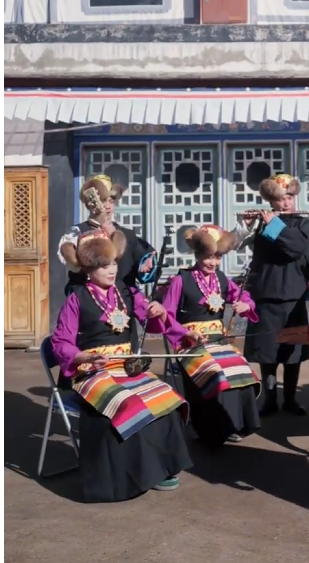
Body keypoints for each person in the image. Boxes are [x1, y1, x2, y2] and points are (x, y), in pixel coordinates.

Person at [51, 229, 194, 503]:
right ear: (88, 269)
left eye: (113, 263)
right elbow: (61, 342)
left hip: (126, 367)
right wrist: (84, 358)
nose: (111, 270)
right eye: (103, 265)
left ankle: (162, 468)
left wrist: (158, 312)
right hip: (92, 371)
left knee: (165, 397)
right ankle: (133, 474)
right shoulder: (76, 298)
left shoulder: (128, 292)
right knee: (128, 402)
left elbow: (153, 323)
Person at [160, 224, 262, 447]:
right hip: (189, 343)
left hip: (218, 340)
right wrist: (186, 333)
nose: (213, 262)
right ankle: (208, 427)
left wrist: (246, 305)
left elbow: (244, 296)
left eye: (217, 257)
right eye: (208, 256)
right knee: (215, 373)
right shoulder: (181, 280)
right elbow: (166, 316)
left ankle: (234, 423)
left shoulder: (222, 279)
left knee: (241, 370)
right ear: (197, 254)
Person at [239, 174, 309, 417]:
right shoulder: (262, 223)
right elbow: (235, 244)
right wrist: (247, 225)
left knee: (292, 353)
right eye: (281, 199)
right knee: (267, 352)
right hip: (266, 294)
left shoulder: (302, 224)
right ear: (272, 201)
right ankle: (269, 400)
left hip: (293, 296)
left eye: (289, 197)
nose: (286, 203)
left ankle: (290, 399)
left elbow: (296, 248)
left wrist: (275, 225)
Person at [58, 175, 155, 296]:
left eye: (111, 201)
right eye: (103, 200)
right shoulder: (77, 233)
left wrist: (147, 265)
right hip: (89, 300)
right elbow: (75, 268)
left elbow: (144, 270)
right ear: (90, 203)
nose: (108, 206)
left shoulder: (128, 235)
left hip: (123, 300)